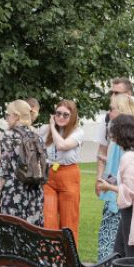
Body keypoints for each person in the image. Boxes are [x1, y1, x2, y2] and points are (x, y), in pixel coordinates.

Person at [0, 99, 45, 267]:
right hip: (34, 194)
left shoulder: (10, 136)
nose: (6, 118)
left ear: (15, 116)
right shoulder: (36, 136)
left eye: (8, 114)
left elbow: (4, 168)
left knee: (11, 236)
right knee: (28, 238)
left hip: (15, 193)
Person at [97, 114, 134, 258]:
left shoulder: (128, 158)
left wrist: (108, 187)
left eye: (113, 132)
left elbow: (131, 192)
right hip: (132, 212)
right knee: (121, 252)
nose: (111, 136)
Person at [96, 94, 134, 262]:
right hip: (115, 199)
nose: (109, 112)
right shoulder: (121, 137)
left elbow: (129, 178)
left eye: (112, 108)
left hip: (119, 201)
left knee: (110, 247)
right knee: (110, 244)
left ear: (122, 111)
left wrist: (108, 187)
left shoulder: (126, 141)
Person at [38, 100, 84, 244]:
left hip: (68, 174)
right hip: (49, 174)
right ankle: (50, 258)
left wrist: (53, 127)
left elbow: (62, 145)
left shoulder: (78, 131)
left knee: (69, 220)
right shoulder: (45, 129)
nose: (61, 117)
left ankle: (69, 260)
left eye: (66, 115)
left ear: (72, 117)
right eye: (58, 113)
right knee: (48, 218)